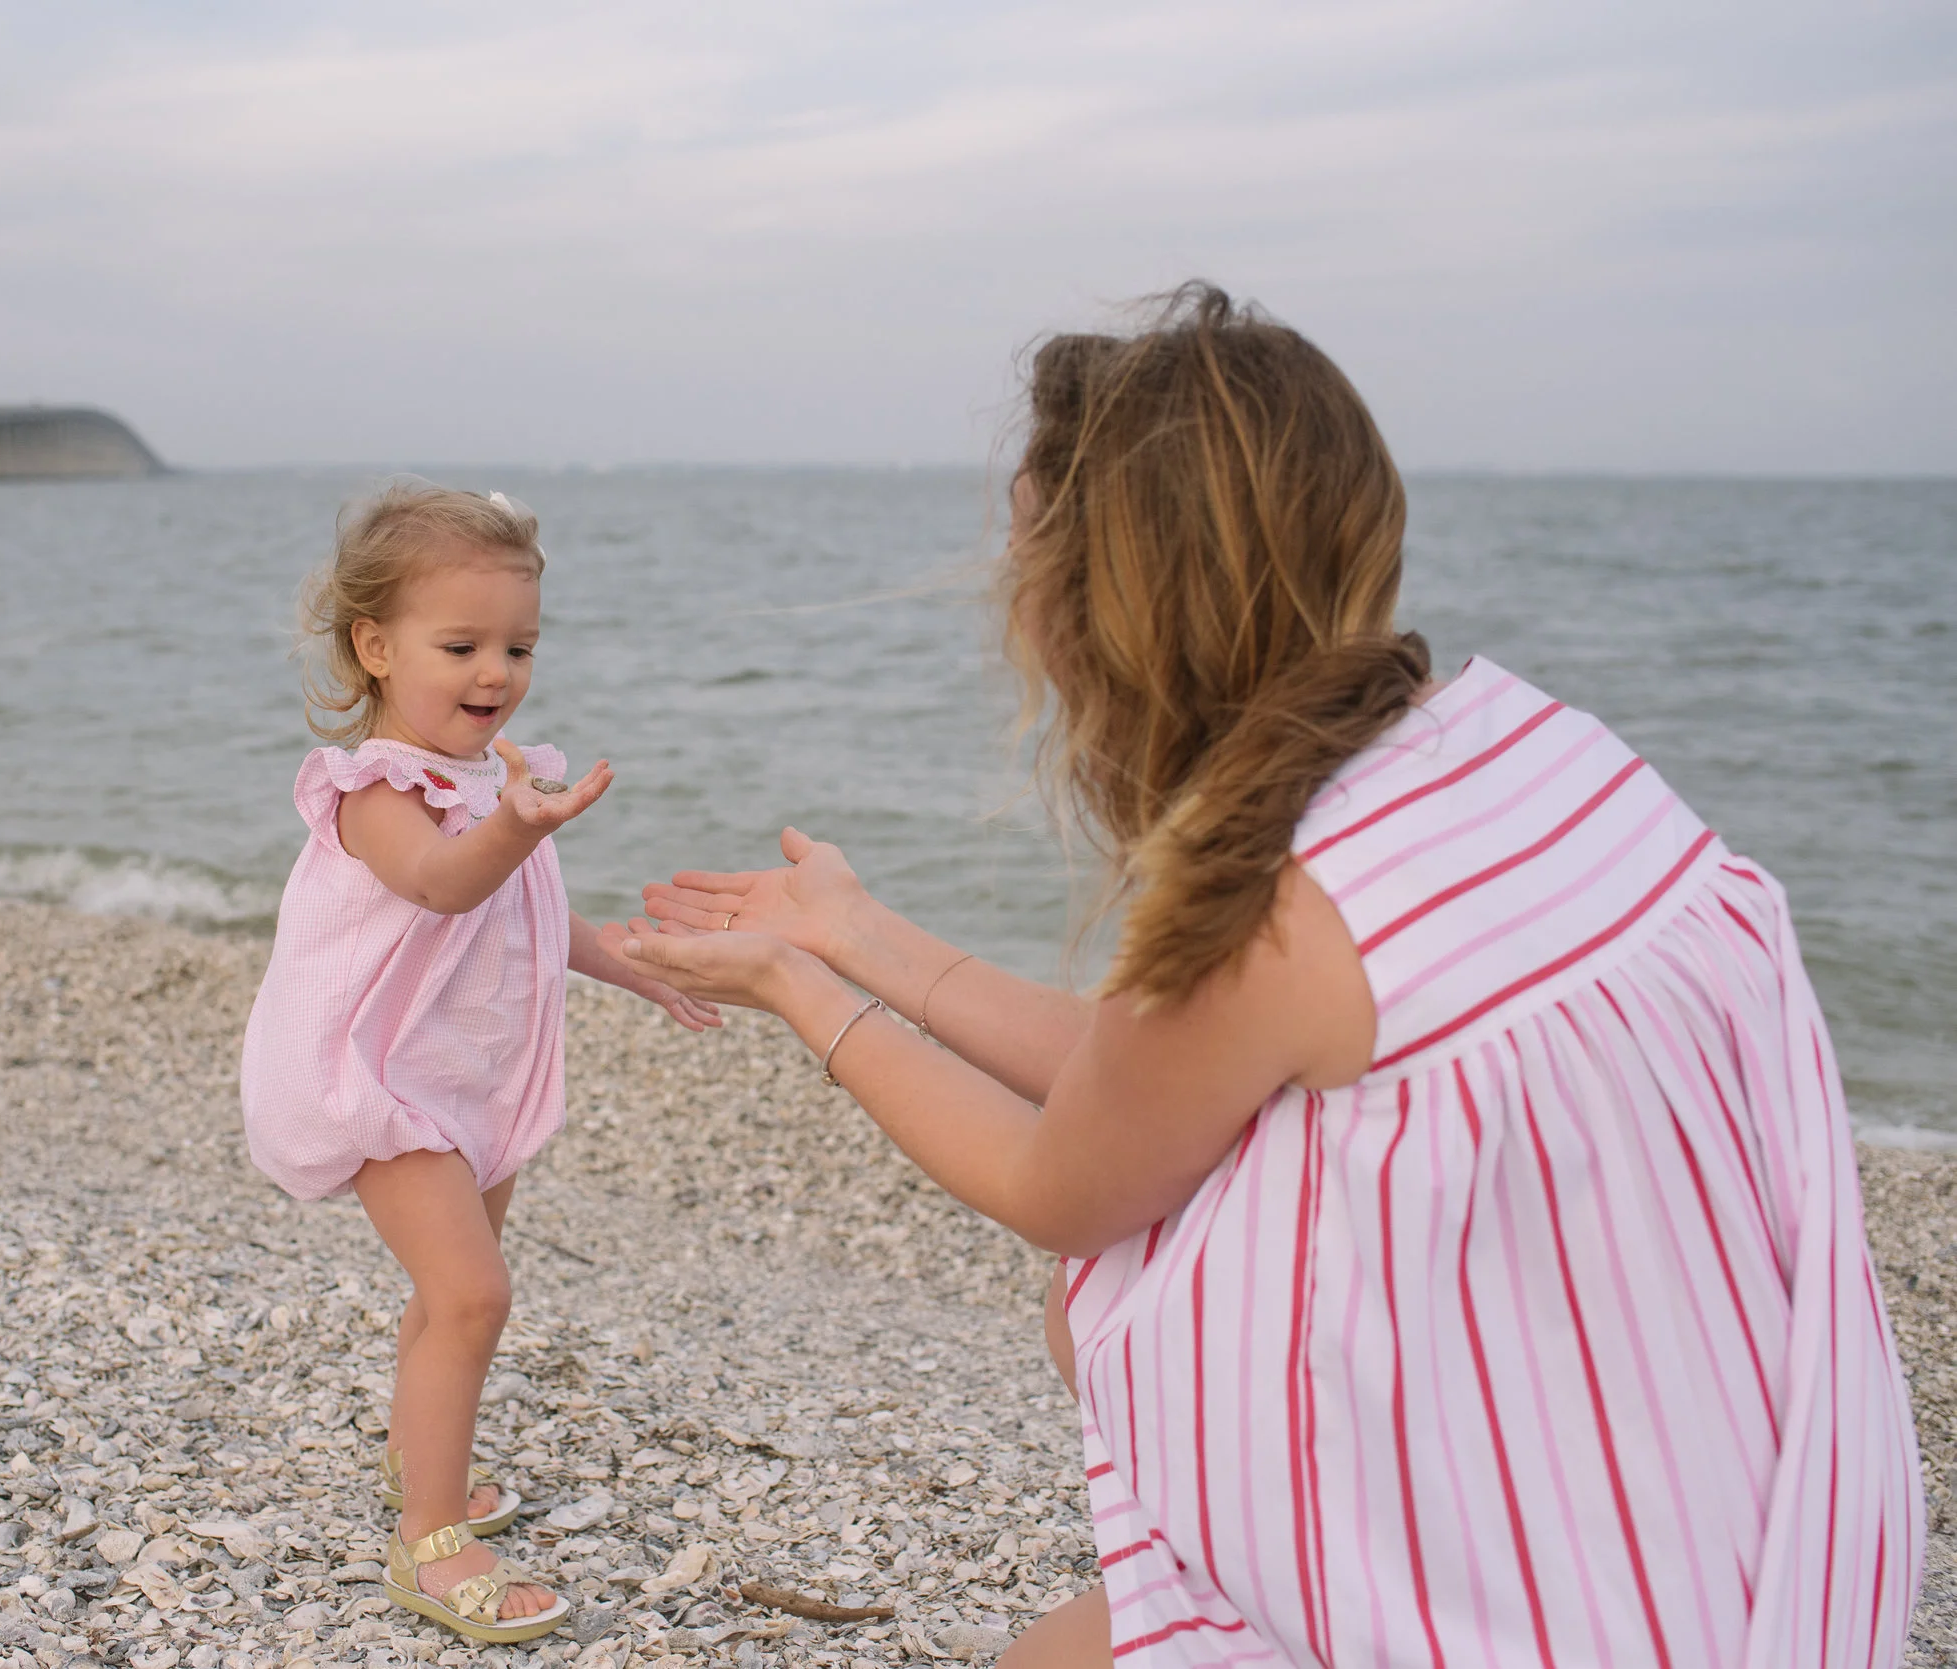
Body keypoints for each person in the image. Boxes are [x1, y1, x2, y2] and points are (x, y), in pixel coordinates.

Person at [617, 286, 1921, 1666]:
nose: (1012, 599)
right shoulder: (1524, 748)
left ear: (1109, 603)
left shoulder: (1273, 907)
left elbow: (1067, 1178)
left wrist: (803, 991)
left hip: (1555, 1609)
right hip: (1735, 1519)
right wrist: (858, 930)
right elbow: (1157, 1082)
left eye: (1027, 554)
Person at [239, 483, 719, 1646]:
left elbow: (525, 916)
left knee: (446, 1293)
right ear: (375, 646)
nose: (494, 670)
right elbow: (448, 882)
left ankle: (420, 1466)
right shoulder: (375, 793)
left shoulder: (489, 778)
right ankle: (432, 1543)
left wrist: (637, 963)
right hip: (382, 1085)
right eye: (460, 645)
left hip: (468, 1082)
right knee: (472, 1295)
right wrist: (518, 824)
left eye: (518, 645)